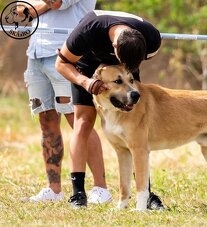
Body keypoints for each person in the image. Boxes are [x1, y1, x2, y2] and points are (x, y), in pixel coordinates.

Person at [55, 10, 165, 209]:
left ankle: (145, 194)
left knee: (135, 130)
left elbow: (130, 64)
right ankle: (78, 194)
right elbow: (61, 63)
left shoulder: (152, 38)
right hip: (86, 63)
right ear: (114, 46)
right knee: (84, 120)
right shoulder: (87, 31)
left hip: (126, 67)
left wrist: (128, 73)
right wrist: (86, 82)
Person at [20, 0, 112, 204]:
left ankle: (101, 188)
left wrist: (37, 7)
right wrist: (41, 6)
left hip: (69, 56)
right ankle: (54, 190)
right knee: (46, 121)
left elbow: (56, 2)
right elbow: (20, 10)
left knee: (79, 121)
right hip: (36, 54)